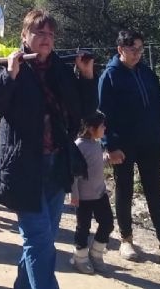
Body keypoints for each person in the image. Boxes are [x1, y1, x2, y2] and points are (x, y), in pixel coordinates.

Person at [0, 9, 96, 289]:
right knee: (38, 240)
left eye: (50, 34)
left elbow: (85, 113)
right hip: (22, 168)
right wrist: (9, 75)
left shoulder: (61, 70)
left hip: (56, 163)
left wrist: (87, 77)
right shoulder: (8, 65)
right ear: (24, 35)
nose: (46, 38)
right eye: (39, 33)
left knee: (42, 240)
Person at [97, 29, 160, 265]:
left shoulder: (148, 74)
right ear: (120, 49)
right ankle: (126, 240)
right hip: (123, 144)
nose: (138, 53)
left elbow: (159, 105)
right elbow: (102, 114)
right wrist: (109, 145)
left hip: (150, 142)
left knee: (154, 191)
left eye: (140, 49)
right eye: (133, 49)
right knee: (125, 190)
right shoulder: (109, 76)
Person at [68, 110, 114, 274]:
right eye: (102, 125)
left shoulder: (96, 143)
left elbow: (95, 163)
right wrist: (74, 195)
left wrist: (107, 159)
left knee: (108, 223)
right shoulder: (79, 146)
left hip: (100, 194)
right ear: (90, 128)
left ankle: (96, 254)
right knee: (83, 228)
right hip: (84, 198)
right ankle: (79, 258)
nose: (104, 128)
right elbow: (74, 173)